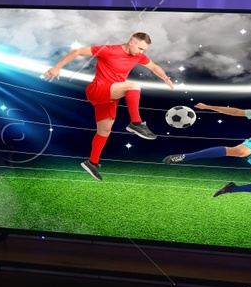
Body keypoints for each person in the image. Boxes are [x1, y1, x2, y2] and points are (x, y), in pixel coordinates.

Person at [41, 32, 176, 180]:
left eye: (144, 50)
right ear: (131, 42)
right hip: (98, 89)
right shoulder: (109, 50)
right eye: (140, 48)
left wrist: (165, 78)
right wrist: (57, 67)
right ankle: (136, 123)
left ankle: (92, 163)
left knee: (104, 131)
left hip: (111, 96)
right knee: (134, 86)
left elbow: (154, 67)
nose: (141, 52)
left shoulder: (138, 56)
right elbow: (78, 51)